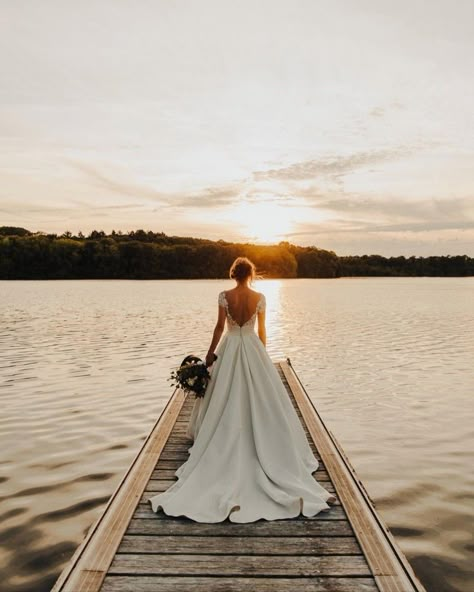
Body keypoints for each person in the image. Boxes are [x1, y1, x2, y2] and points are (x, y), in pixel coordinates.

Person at [149, 256, 336, 523]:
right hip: (251, 347)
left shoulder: (224, 296)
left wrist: (210, 353)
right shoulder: (259, 297)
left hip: (230, 346)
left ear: (233, 274)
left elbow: (218, 327)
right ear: (251, 274)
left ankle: (222, 434)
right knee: (260, 396)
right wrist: (261, 356)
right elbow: (262, 332)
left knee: (223, 395)